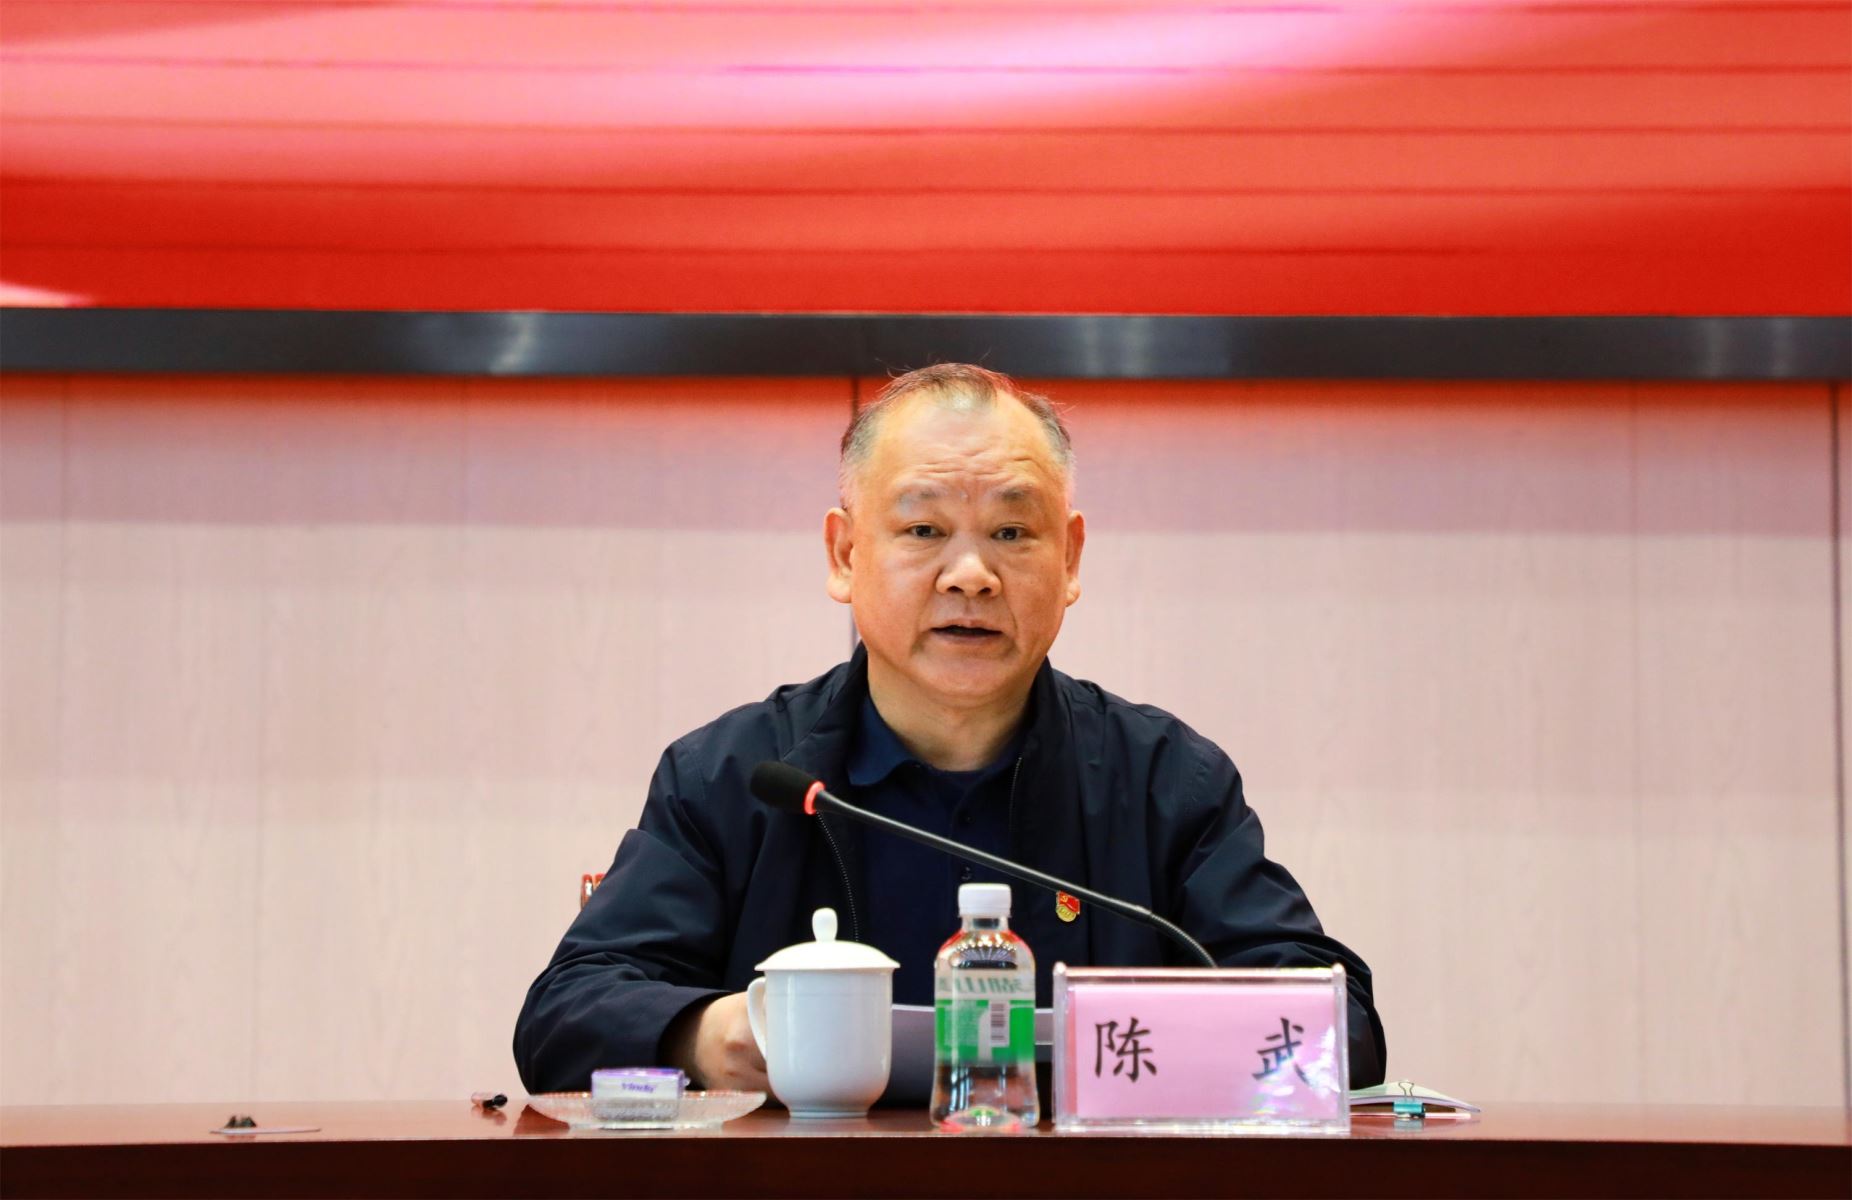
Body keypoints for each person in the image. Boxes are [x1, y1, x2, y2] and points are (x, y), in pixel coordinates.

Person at [513, 364, 1387, 1094]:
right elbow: (566, 1014)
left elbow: (1337, 1024)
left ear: (1070, 558)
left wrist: (1144, 1043)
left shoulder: (1164, 781)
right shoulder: (737, 775)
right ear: (845, 555)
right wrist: (710, 1037)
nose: (971, 574)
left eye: (1011, 530)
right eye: (924, 528)